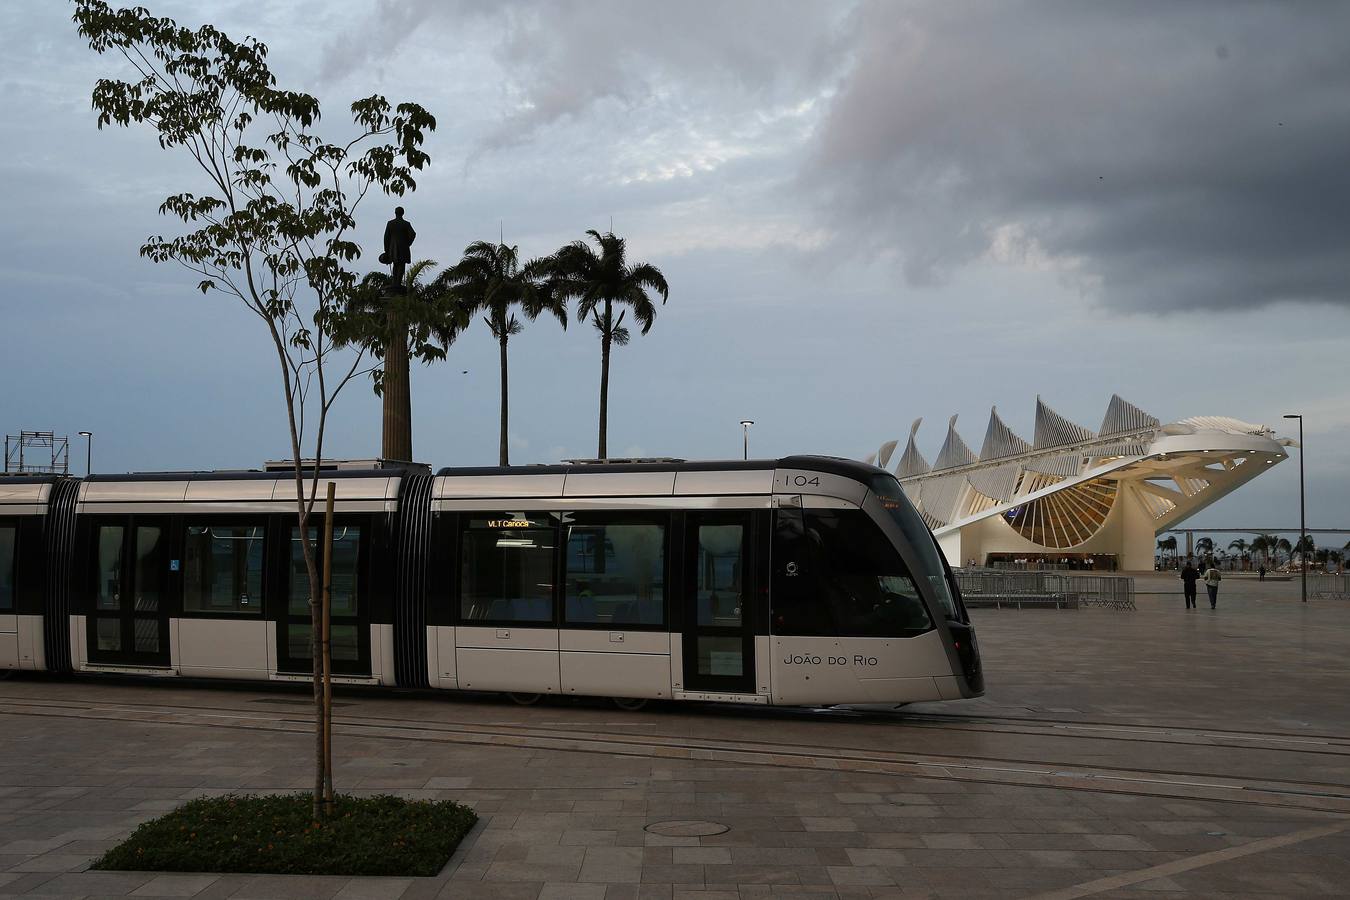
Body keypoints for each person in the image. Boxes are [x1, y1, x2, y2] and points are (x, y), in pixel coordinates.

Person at [382, 206, 416, 286]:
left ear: (395, 213)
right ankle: (397, 283)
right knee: (401, 265)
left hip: (393, 248)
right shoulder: (406, 224)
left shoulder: (390, 223)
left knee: (395, 264)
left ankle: (395, 283)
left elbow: (386, 238)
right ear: (403, 213)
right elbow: (413, 234)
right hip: (403, 247)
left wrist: (386, 250)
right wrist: (408, 243)